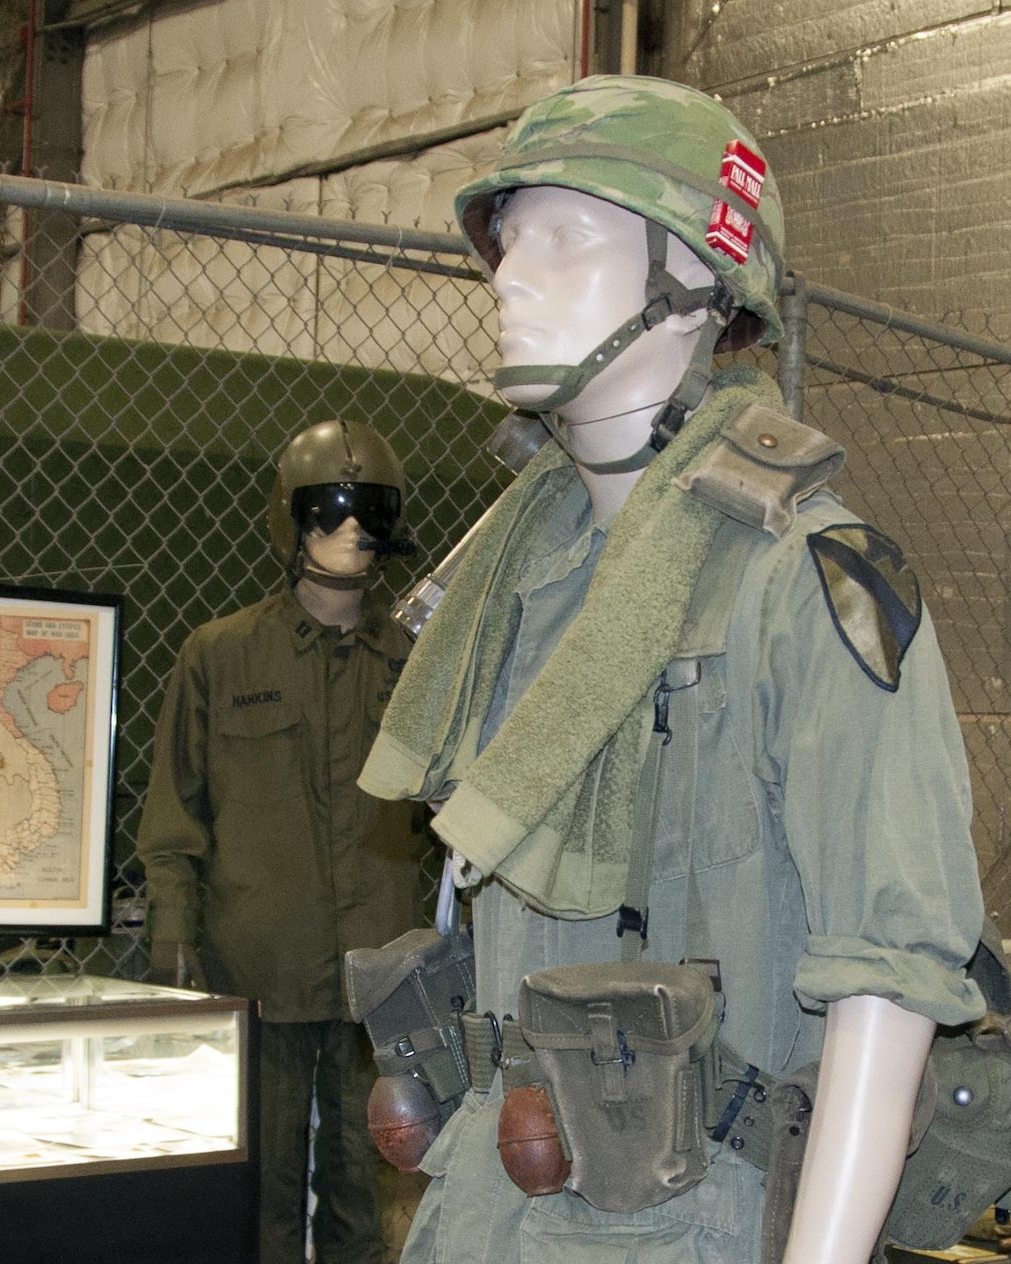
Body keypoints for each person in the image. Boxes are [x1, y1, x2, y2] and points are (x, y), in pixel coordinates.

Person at [357, 76, 985, 1264]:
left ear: (697, 284)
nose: (510, 276)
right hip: (486, 1208)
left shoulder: (798, 580)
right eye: (509, 242)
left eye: (570, 237)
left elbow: (889, 978)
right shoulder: (503, 582)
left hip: (684, 1219)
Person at [139, 418, 431, 1264]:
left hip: (377, 971)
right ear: (291, 518)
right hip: (256, 962)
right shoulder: (220, 655)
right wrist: (172, 934)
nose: (350, 528)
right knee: (253, 1182)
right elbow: (175, 814)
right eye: (329, 506)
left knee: (372, 1179)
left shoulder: (413, 667)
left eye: (368, 507)